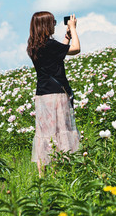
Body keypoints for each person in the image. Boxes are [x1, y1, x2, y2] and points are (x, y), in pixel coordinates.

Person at [26, 11, 81, 176]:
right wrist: (74, 28)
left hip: (42, 96)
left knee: (44, 134)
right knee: (60, 131)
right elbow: (76, 49)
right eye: (53, 22)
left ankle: (42, 175)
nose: (54, 25)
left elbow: (58, 56)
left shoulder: (33, 46)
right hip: (57, 95)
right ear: (46, 26)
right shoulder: (50, 45)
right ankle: (62, 171)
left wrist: (67, 36)